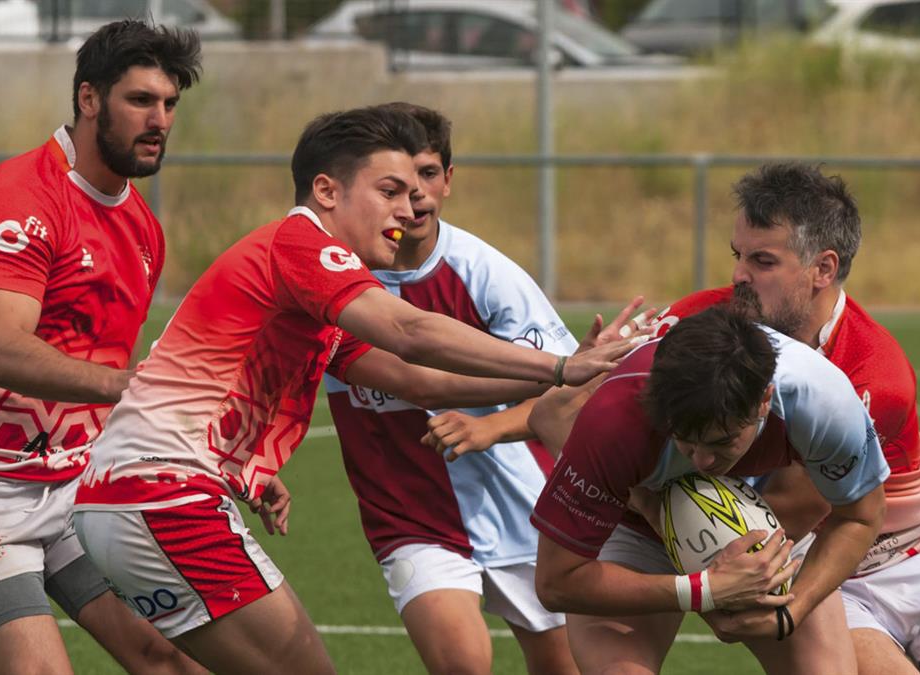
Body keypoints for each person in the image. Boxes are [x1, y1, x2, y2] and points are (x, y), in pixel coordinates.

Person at [70, 104, 632, 674]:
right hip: (162, 497)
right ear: (326, 191)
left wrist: (551, 372)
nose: (405, 208)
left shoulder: (315, 293)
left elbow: (419, 382)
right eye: (389, 190)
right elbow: (411, 333)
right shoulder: (301, 244)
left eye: (413, 191)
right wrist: (559, 366)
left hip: (131, 498)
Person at [649, 163, 920, 674]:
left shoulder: (874, 373)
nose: (739, 275)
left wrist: (709, 567)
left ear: (823, 269)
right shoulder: (694, 324)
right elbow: (598, 413)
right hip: (822, 559)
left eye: (763, 260)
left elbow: (793, 507)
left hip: (918, 549)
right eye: (738, 255)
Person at [0, 20, 204, 674]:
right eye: (140, 101)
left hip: (78, 484)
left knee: (168, 657)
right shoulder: (27, 194)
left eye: (170, 104)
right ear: (89, 99)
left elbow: (102, 387)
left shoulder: (144, 229)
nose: (159, 119)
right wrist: (129, 385)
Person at [322, 102, 581, 675]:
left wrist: (489, 426)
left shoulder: (487, 274)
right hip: (410, 516)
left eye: (428, 175)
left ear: (449, 179)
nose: (413, 196)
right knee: (462, 664)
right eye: (396, 182)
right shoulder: (333, 278)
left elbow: (564, 393)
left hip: (520, 507)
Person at [529, 305, 889, 674]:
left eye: (721, 442)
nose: (702, 460)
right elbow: (557, 582)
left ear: (764, 400)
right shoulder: (617, 418)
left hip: (760, 519)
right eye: (684, 440)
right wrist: (702, 591)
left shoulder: (821, 400)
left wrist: (792, 613)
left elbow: (861, 516)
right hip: (632, 523)